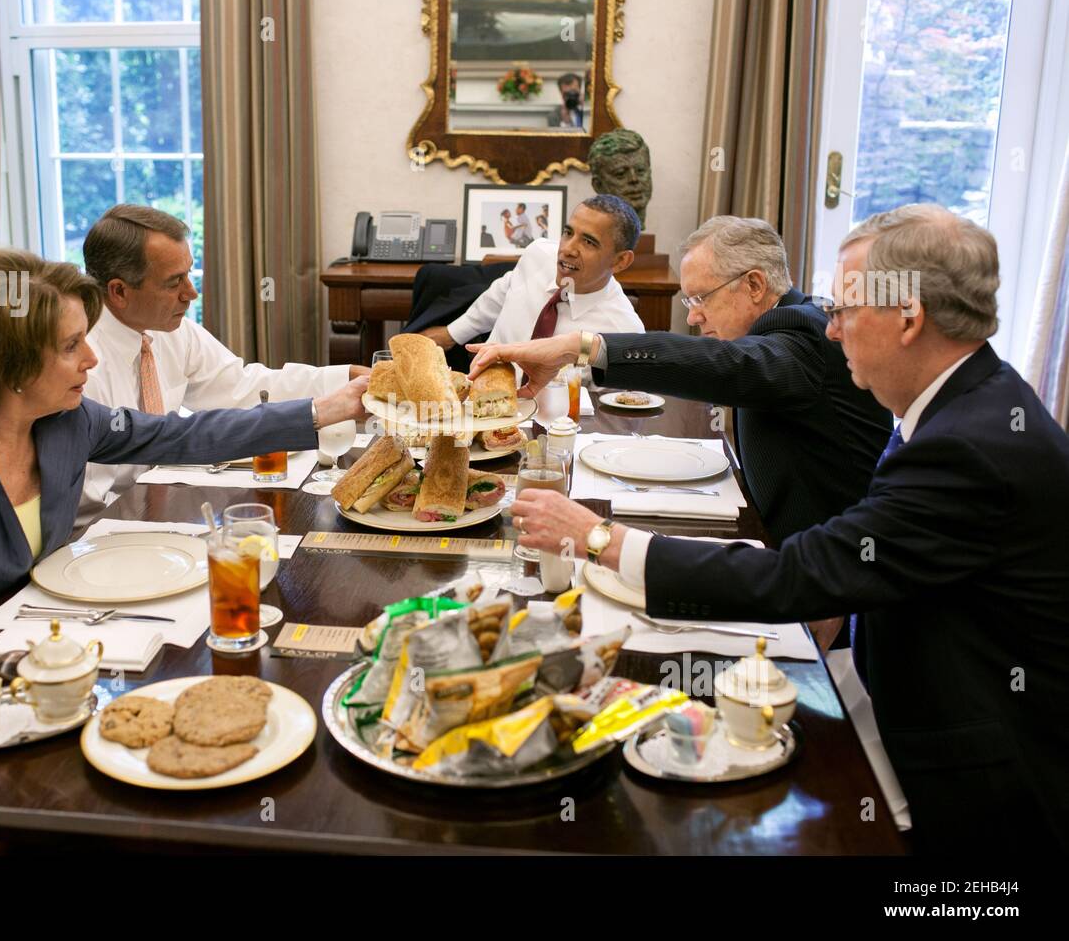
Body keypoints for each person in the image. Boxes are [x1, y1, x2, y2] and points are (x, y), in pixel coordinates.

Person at [509, 205, 1069, 852]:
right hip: (895, 687)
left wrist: (600, 538)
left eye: (847, 310)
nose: (834, 331)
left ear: (908, 319)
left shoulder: (967, 444)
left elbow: (801, 574)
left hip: (984, 793)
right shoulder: (969, 405)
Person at [0, 248, 367, 755]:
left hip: (18, 675)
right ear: (10, 362)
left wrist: (322, 410)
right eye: (71, 345)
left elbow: (184, 434)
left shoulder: (65, 421)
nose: (92, 359)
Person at [469, 216, 892, 542]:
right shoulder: (792, 324)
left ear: (755, 285)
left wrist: (582, 345)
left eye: (700, 298)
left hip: (823, 584)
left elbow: (728, 365)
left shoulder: (803, 333)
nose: (692, 316)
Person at [78, 205, 369, 525]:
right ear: (119, 291)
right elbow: (88, 507)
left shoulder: (169, 331)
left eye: (189, 274)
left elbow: (241, 387)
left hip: (167, 507)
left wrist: (346, 377)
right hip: (114, 533)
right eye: (174, 282)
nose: (192, 293)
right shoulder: (82, 366)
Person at [421, 195, 645, 351]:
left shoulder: (624, 332)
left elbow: (618, 410)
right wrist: (451, 334)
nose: (567, 249)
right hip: (483, 396)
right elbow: (502, 292)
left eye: (588, 242)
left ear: (620, 261)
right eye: (568, 233)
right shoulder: (539, 254)